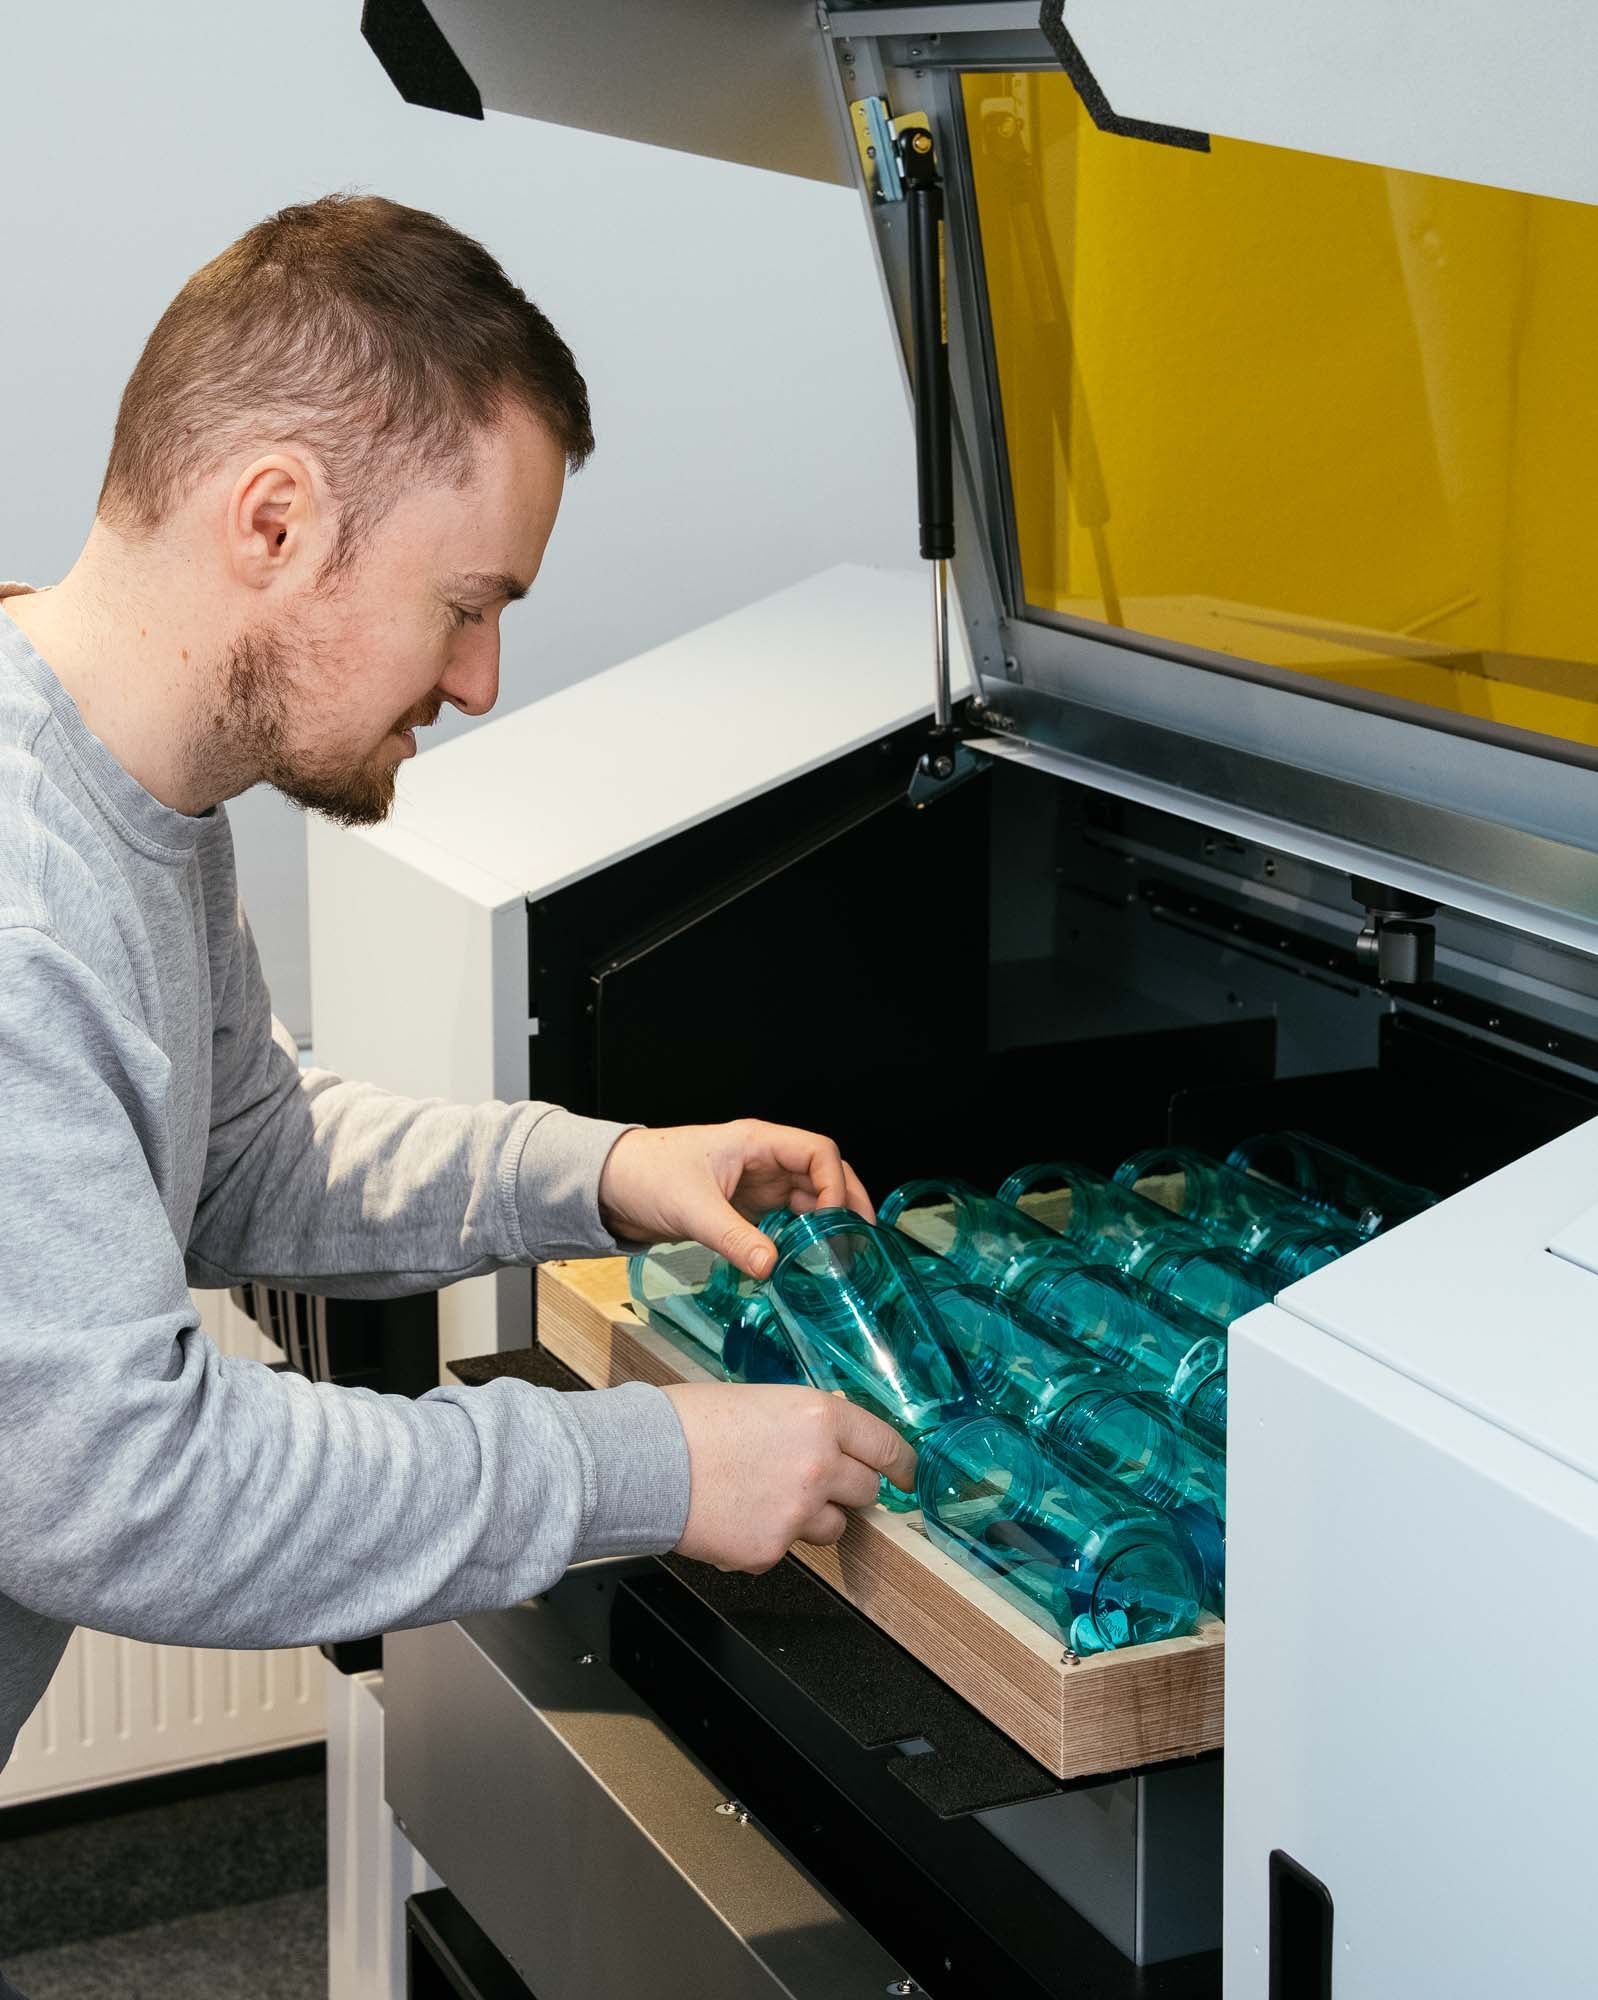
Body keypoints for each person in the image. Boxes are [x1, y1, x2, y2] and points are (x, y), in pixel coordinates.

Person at [0, 191, 916, 1938]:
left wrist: (601, 1171)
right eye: (467, 603)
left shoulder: (128, 796)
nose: (485, 680)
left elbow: (241, 1150)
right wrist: (651, 1468)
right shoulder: (18, 909)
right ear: (273, 517)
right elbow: (128, 1493)